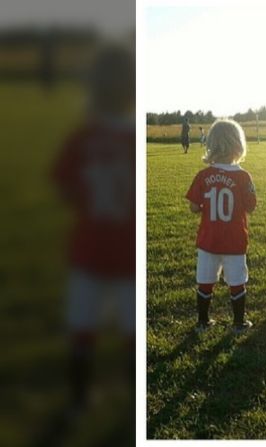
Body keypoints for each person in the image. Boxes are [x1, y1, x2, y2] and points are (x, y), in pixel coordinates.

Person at [52, 44, 135, 417]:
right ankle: (134, 402)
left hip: (88, 249)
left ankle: (79, 400)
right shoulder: (132, 140)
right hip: (127, 253)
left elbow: (65, 185)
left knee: (83, 327)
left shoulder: (83, 137)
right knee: (130, 329)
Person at [186, 119, 257, 334]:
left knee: (205, 282)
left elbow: (193, 207)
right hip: (235, 240)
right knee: (237, 282)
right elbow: (251, 207)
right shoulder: (243, 176)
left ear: (211, 144)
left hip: (208, 240)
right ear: (239, 144)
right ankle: (238, 323)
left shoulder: (203, 175)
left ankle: (202, 322)